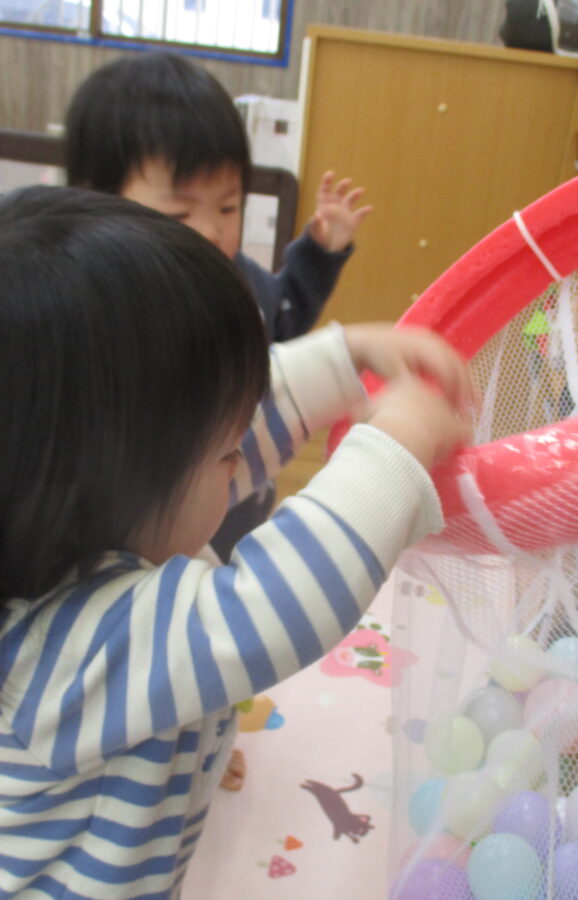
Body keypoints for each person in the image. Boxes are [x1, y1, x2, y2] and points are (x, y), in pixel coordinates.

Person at [0, 185, 471, 899]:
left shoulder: (55, 529)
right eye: (225, 453)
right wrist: (394, 444)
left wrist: (346, 357)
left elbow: (227, 426)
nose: (242, 459)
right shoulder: (53, 652)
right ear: (87, 491)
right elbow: (279, 608)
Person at [63, 52, 372, 563]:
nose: (211, 230)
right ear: (96, 205)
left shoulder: (236, 280)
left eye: (228, 207)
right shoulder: (99, 314)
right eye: (179, 212)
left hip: (241, 512)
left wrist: (319, 254)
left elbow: (284, 319)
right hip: (150, 541)